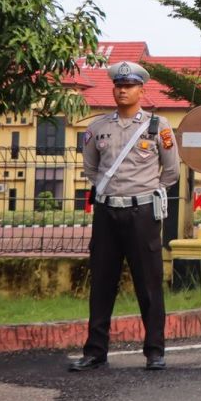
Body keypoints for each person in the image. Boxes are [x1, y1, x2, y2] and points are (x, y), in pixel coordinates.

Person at [70, 61, 179, 372]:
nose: (122, 90)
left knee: (149, 284)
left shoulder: (160, 127)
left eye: (129, 86)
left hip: (142, 213)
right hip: (106, 212)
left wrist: (148, 192)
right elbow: (91, 169)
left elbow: (171, 172)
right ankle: (95, 352)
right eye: (118, 85)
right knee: (102, 283)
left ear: (141, 90)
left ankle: (155, 351)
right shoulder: (97, 128)